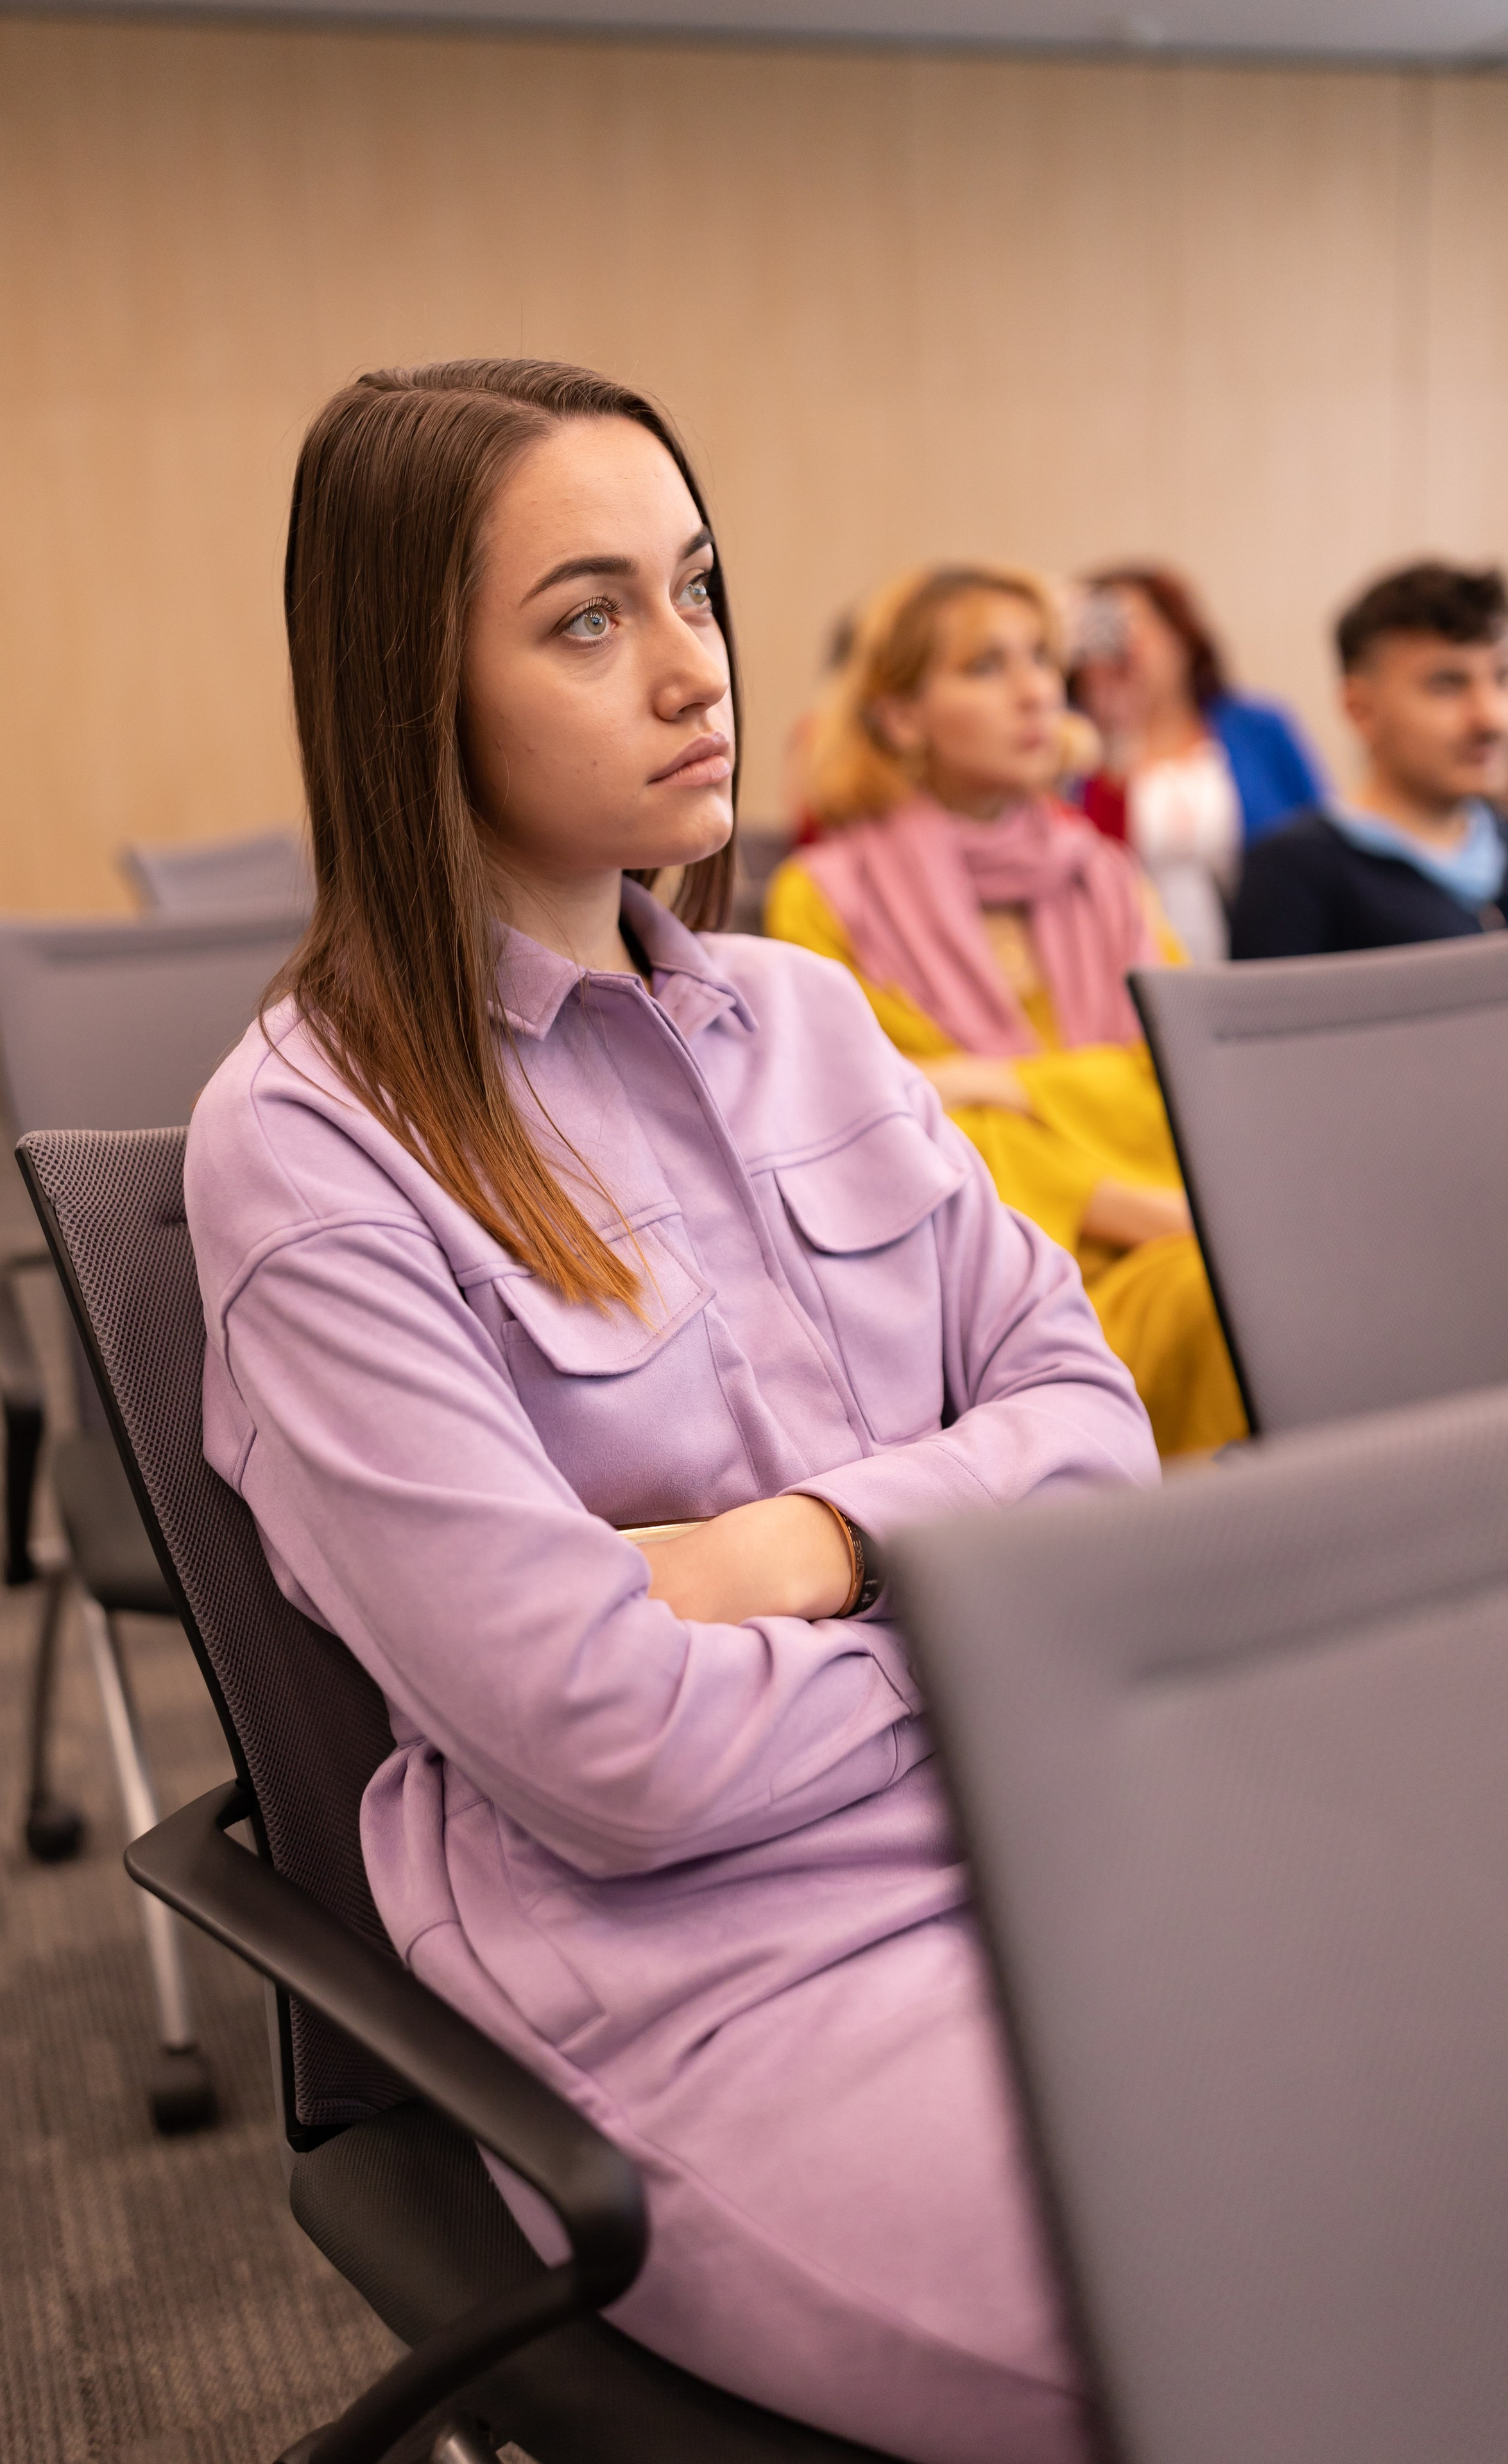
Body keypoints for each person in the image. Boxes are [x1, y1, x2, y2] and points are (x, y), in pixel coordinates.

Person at [185, 362, 1159, 2464]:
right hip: (732, 1985)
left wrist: (792, 1556)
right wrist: (993, 1614)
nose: (694, 668)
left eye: (697, 590)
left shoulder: (806, 1017)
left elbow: (1101, 1424)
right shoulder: (312, 1154)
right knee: (1272, 2298)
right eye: (587, 617)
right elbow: (618, 1758)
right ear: (404, 685)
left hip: (1080, 1830)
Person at [765, 563, 1246, 1460]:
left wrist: (998, 1083)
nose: (1036, 691)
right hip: (981, 1294)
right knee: (1238, 1297)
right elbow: (879, 1138)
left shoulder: (1106, 874)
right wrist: (1128, 1199)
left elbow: (1183, 1081)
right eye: (987, 666)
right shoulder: (822, 897)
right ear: (900, 713)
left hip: (1177, 1225)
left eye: (1040, 659)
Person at [1230, 561, 1508, 960]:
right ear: (1360, 709)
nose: (1490, 717)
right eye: (1447, 684)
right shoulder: (1294, 875)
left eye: (1501, 678)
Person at [1070, 565, 1327, 963]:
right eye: (1102, 632)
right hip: (1127, 960)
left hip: (1262, 954)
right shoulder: (1074, 747)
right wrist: (1115, 736)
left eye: (1131, 627)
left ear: (1180, 636)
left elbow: (1317, 839)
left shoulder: (1257, 727)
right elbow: (1084, 868)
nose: (1122, 650)